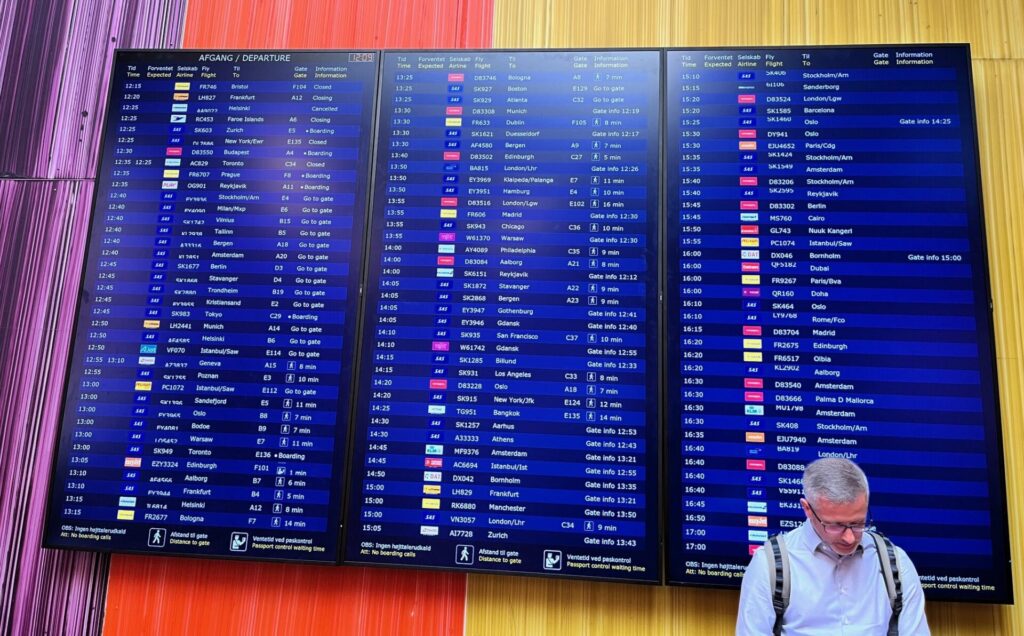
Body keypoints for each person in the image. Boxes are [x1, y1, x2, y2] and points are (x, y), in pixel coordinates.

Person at [736, 458, 930, 635]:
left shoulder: (895, 563)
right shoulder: (769, 565)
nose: (849, 538)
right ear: (807, 509)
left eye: (858, 523)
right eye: (836, 525)